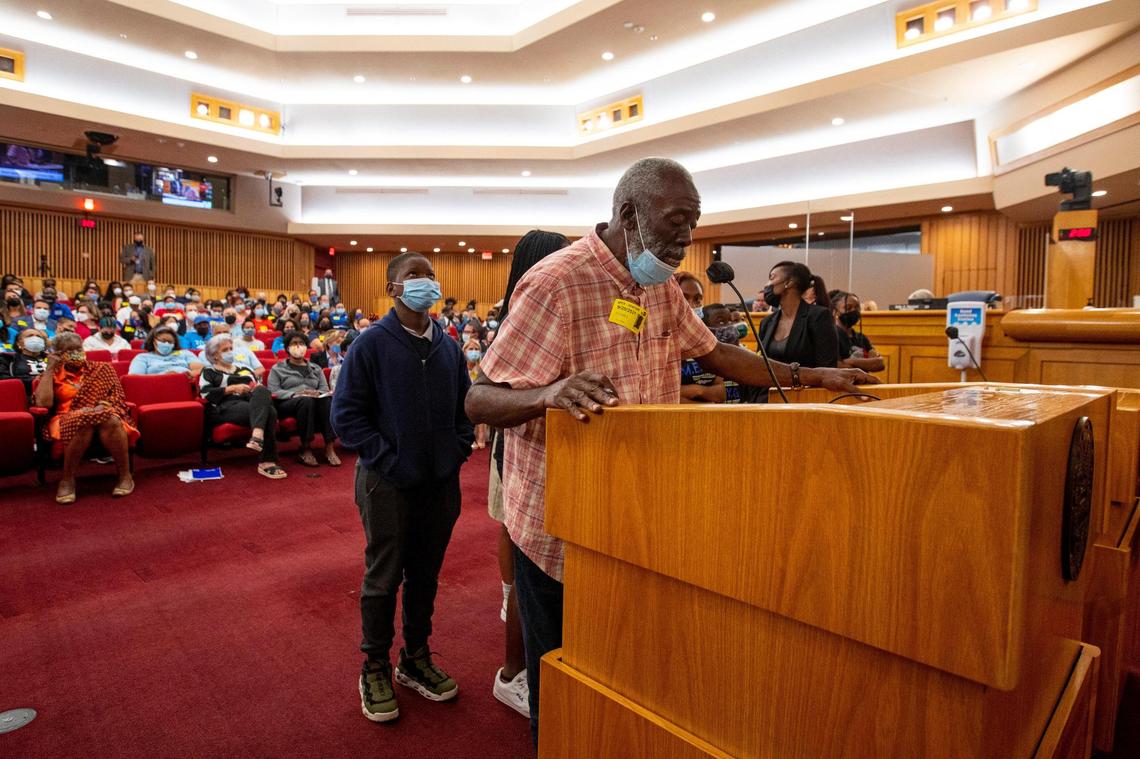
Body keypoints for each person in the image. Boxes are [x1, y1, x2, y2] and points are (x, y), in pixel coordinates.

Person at [464, 157, 874, 743]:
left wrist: (810, 375)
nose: (686, 239)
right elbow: (479, 399)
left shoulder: (657, 286)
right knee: (562, 688)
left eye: (693, 224)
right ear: (628, 213)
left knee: (622, 677)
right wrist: (549, 393)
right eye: (676, 221)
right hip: (562, 530)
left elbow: (715, 354)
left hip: (638, 518)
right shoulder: (555, 283)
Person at [331, 251, 474, 724]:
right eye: (414, 275)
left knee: (426, 575)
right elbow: (346, 416)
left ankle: (415, 656)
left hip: (440, 482)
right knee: (384, 576)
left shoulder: (449, 347)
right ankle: (374, 665)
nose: (425, 282)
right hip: (386, 482)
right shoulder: (370, 344)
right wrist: (390, 460)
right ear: (393, 288)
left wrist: (456, 451)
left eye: (430, 275)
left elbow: (464, 410)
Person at [485, 229, 568, 719]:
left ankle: (511, 599)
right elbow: (489, 398)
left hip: (540, 451)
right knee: (521, 554)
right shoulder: (525, 312)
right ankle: (513, 672)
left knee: (521, 556)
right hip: (518, 452)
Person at [34, 332, 138, 504]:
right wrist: (50, 368)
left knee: (110, 419)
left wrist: (103, 405)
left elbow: (117, 396)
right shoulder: (53, 374)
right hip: (65, 417)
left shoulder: (102, 369)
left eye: (78, 349)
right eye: (69, 350)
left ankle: (125, 476)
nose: (76, 353)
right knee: (83, 420)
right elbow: (43, 403)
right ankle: (67, 480)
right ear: (58, 354)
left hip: (103, 412)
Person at [199, 334, 286, 480]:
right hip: (226, 405)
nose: (230, 352)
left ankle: (257, 436)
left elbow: (257, 388)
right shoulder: (209, 371)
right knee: (270, 412)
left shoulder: (244, 368)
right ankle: (267, 460)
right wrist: (231, 388)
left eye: (231, 348)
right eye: (225, 350)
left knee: (262, 390)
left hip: (250, 401)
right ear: (214, 355)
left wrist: (252, 389)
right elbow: (205, 393)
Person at [268, 331, 340, 468]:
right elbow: (273, 390)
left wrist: (317, 393)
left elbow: (324, 388)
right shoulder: (278, 369)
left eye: (301, 343)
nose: (298, 346)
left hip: (313, 400)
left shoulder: (315, 368)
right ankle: (305, 447)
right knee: (305, 401)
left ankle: (329, 446)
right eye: (294, 343)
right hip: (287, 403)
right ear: (287, 348)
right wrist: (296, 394)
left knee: (326, 400)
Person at [757, 261, 839, 369]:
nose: (766, 285)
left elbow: (827, 366)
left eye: (772, 278)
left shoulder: (819, 316)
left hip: (808, 380)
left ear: (789, 282)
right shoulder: (767, 322)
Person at [832, 291, 885, 373]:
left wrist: (851, 361)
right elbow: (836, 365)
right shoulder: (831, 336)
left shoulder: (861, 338)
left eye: (857, 308)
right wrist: (865, 365)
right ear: (835, 312)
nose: (854, 311)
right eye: (848, 308)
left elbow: (879, 364)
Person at [128, 326, 204, 378]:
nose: (166, 344)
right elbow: (134, 378)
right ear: (154, 341)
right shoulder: (142, 357)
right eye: (163, 341)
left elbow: (202, 370)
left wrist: (184, 375)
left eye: (170, 342)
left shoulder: (184, 353)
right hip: (155, 387)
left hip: (185, 383)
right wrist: (165, 377)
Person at [0, 328, 50, 396]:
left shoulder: (51, 359)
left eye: (38, 336)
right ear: (18, 343)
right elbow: (4, 379)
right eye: (30, 336)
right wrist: (35, 380)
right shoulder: (8, 359)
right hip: (23, 395)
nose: (35, 338)